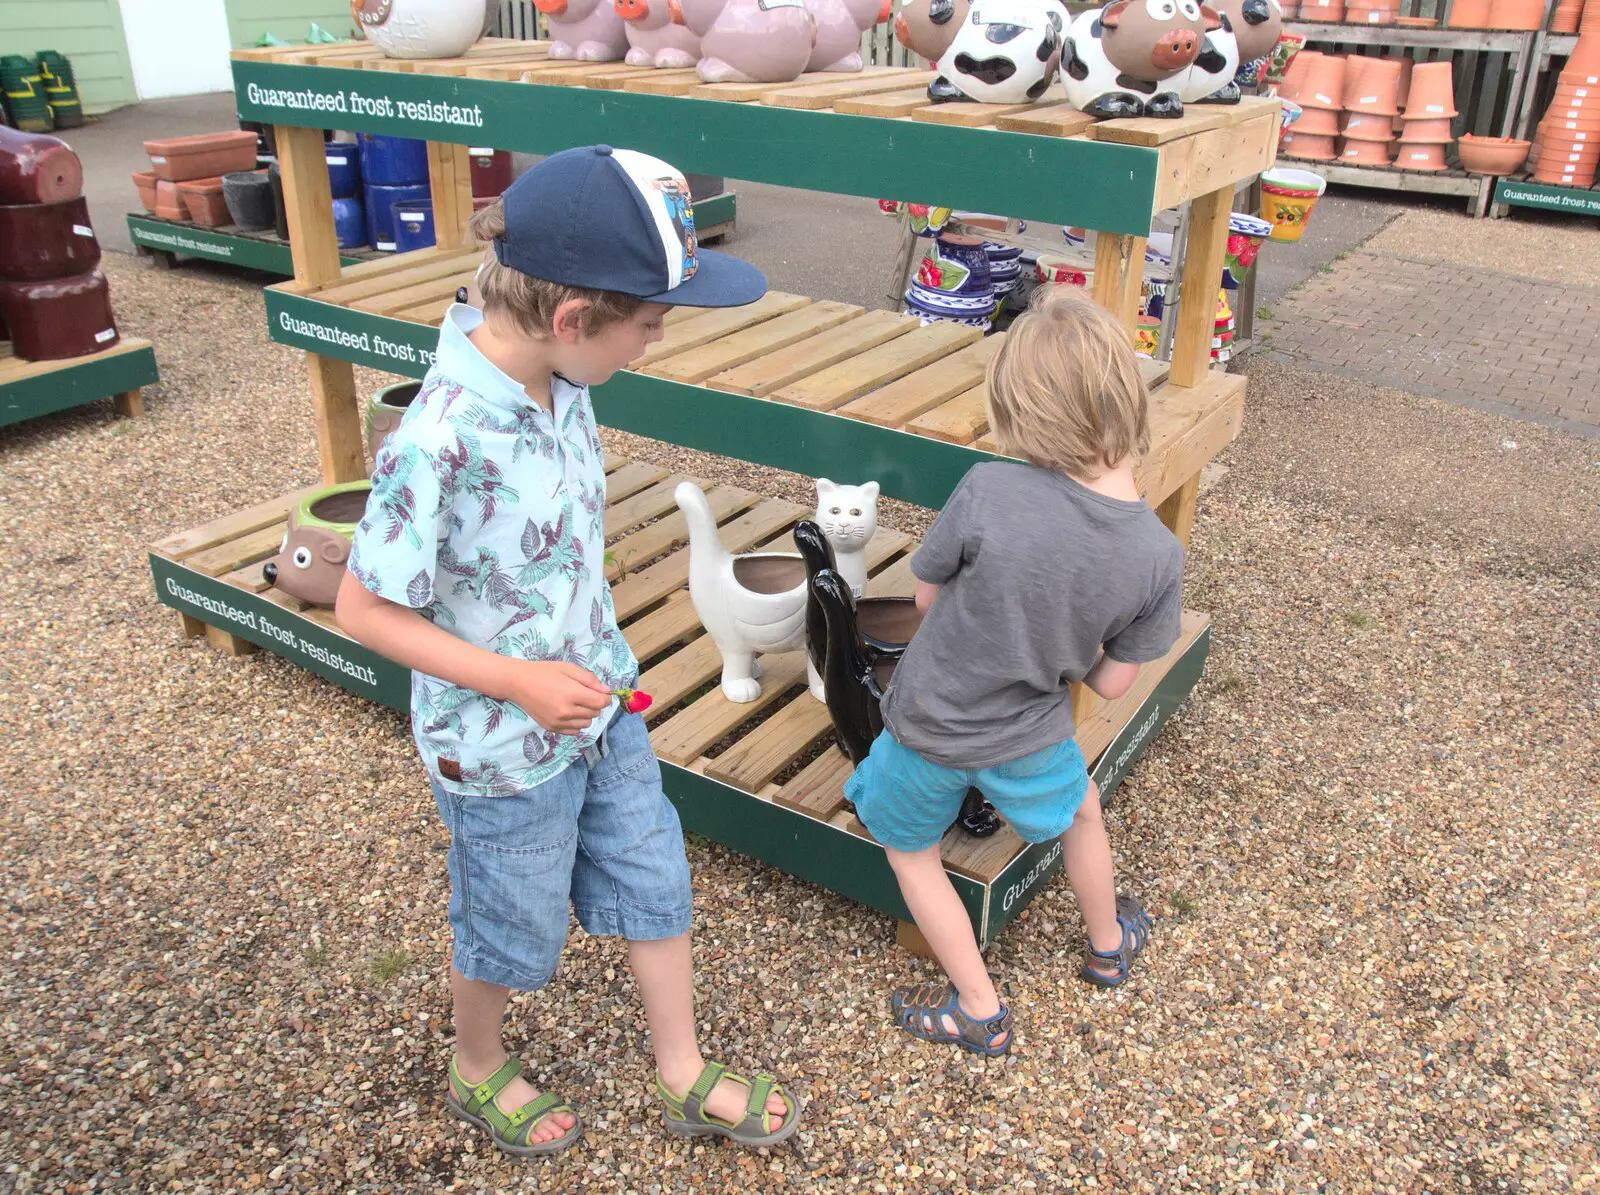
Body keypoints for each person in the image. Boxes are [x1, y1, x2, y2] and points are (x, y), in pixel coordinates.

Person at [335, 146, 801, 1156]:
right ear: (571, 318)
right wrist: (515, 679)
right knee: (510, 919)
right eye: (649, 320)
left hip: (601, 707)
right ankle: (476, 1058)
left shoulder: (561, 373)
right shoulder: (438, 438)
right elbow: (362, 611)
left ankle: (680, 1068)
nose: (659, 335)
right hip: (499, 748)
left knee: (654, 875)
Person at [844, 287, 1184, 1056]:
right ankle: (1106, 944)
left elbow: (926, 597)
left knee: (912, 852)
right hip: (1028, 732)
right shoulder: (1158, 556)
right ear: (1129, 399)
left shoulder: (990, 489)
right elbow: (1111, 684)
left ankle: (978, 1005)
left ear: (1021, 410)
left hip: (929, 719)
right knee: (1082, 811)